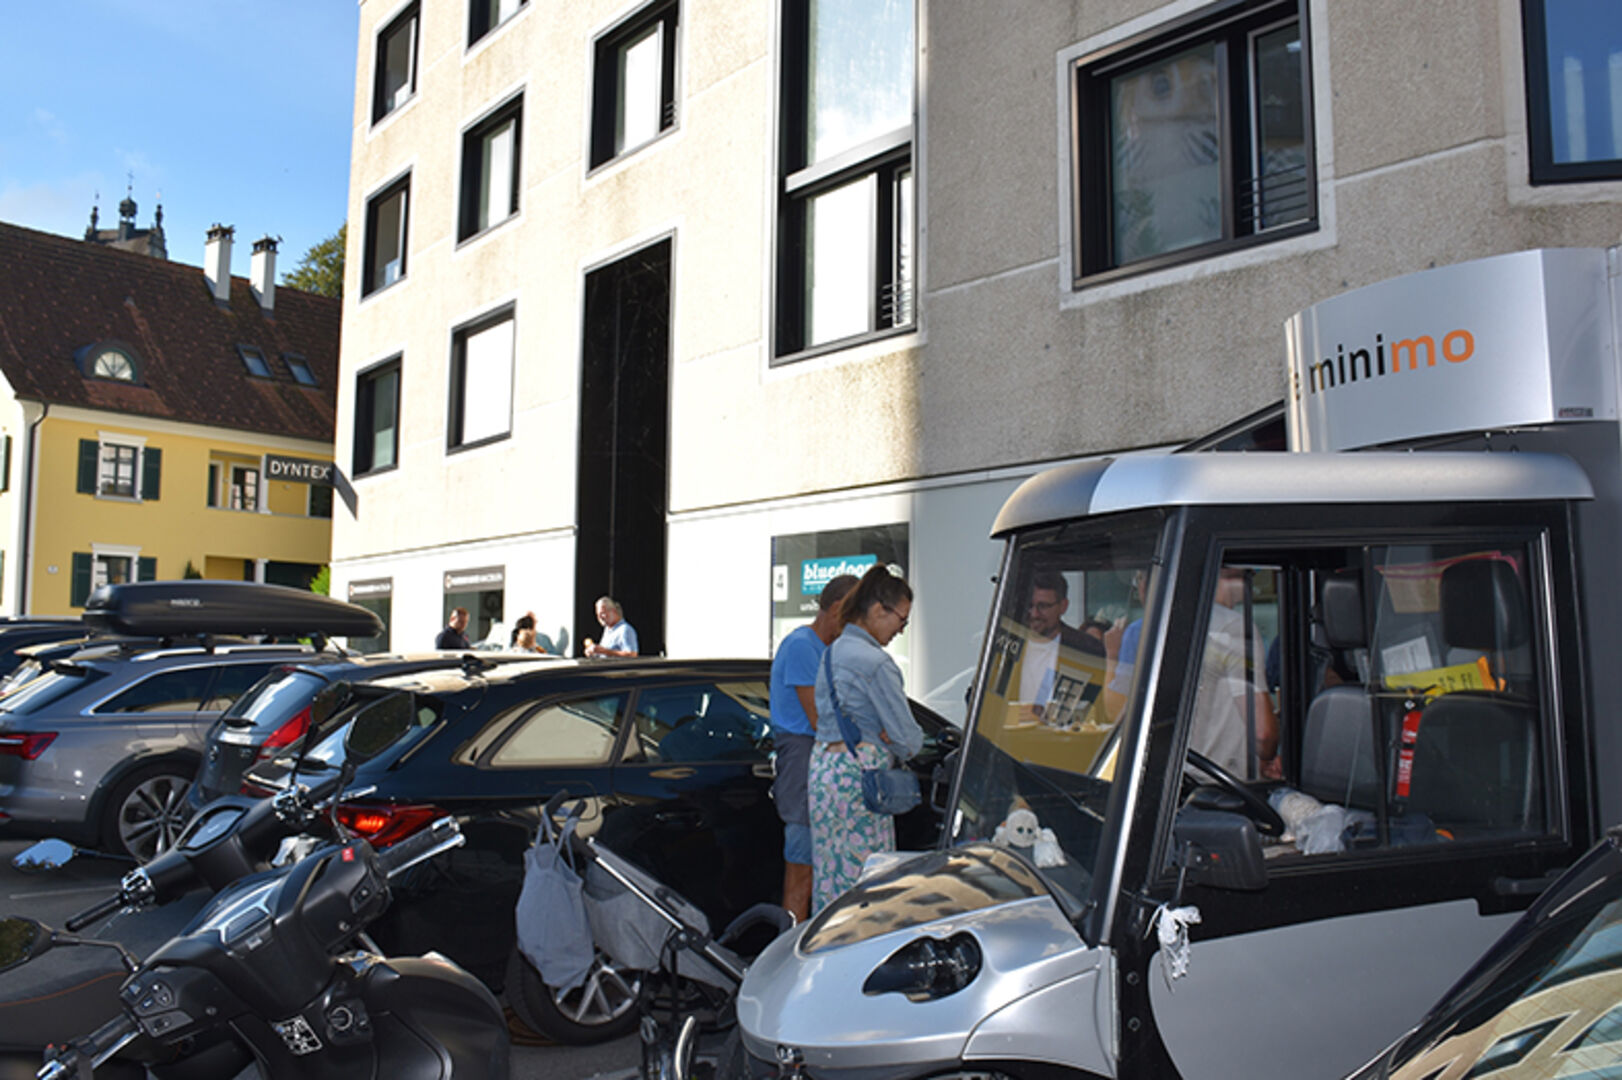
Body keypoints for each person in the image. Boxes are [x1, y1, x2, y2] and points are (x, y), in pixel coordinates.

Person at [808, 565, 923, 913]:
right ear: (877, 610)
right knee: (866, 886)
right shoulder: (875, 662)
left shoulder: (832, 652)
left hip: (824, 773)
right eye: (901, 621)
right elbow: (909, 741)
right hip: (860, 781)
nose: (900, 631)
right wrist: (889, 738)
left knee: (831, 879)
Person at [769, 573, 858, 923]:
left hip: (816, 758)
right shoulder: (802, 646)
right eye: (852, 616)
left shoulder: (824, 649)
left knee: (819, 867)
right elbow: (820, 720)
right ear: (836, 608)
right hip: (803, 759)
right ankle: (789, 953)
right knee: (802, 867)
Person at [1189, 567, 1280, 779]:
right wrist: (1270, 753)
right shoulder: (1233, 629)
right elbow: (1262, 734)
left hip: (1180, 781)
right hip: (1221, 783)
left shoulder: (1180, 621)